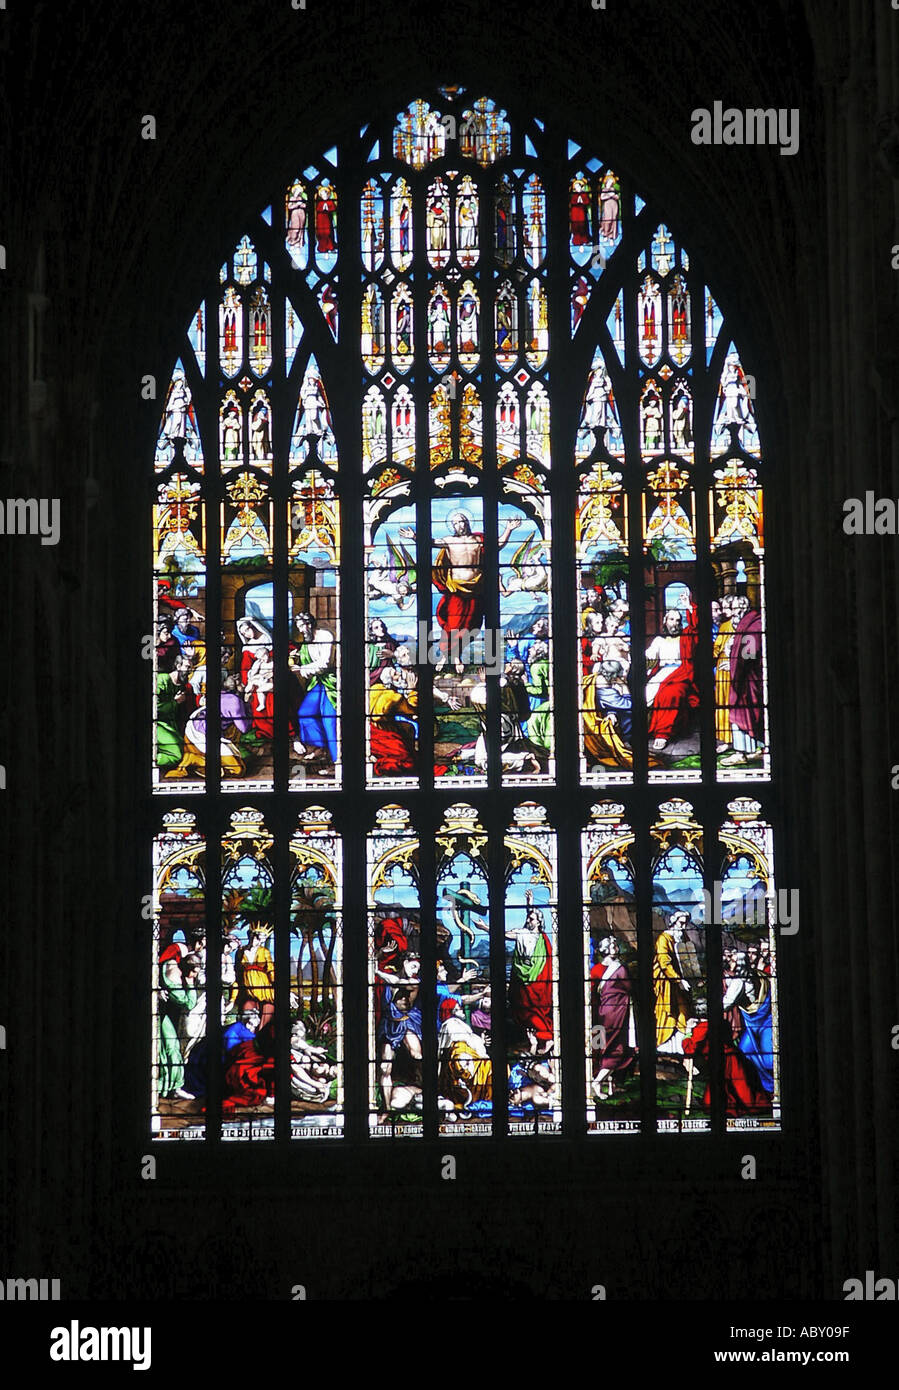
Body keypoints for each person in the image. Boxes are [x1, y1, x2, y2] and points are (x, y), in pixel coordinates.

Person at [375, 955, 423, 1118]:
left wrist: (376, 972)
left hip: (407, 1021)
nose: (415, 970)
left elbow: (396, 982)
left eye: (418, 968)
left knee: (417, 1055)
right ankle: (387, 1108)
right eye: (413, 966)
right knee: (384, 1067)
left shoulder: (413, 983)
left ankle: (427, 1092)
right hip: (389, 1025)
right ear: (405, 963)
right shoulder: (389, 978)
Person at [506, 890, 554, 1055]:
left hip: (538, 982)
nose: (528, 920)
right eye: (528, 918)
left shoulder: (542, 939)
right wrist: (484, 927)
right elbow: (506, 935)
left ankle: (547, 1038)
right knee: (525, 1011)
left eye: (532, 919)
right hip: (523, 982)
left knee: (536, 1011)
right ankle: (535, 1039)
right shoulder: (522, 933)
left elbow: (548, 962)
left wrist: (530, 903)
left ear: (539, 922)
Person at [645, 607, 699, 751]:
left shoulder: (685, 637)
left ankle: (663, 733)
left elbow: (695, 629)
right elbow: (650, 654)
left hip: (682, 673)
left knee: (670, 694)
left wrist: (690, 607)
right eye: (671, 619)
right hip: (662, 674)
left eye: (678, 620)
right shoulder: (658, 640)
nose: (674, 623)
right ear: (665, 621)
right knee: (645, 695)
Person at [290, 611, 338, 768]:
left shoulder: (325, 636)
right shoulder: (307, 641)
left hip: (331, 683)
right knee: (305, 713)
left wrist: (301, 668)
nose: (301, 631)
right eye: (299, 628)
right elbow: (308, 659)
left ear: (309, 624)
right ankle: (322, 748)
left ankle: (337, 761)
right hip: (318, 683)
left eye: (302, 627)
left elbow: (324, 663)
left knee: (329, 721)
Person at [590, 934, 635, 1099]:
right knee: (616, 1047)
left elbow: (591, 993)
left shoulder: (595, 970)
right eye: (614, 946)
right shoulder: (620, 968)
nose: (617, 948)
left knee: (599, 1047)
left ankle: (609, 1086)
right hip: (615, 1014)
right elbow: (630, 987)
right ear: (607, 949)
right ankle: (597, 1082)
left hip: (598, 1015)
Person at [722, 595, 764, 764]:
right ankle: (755, 750)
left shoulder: (753, 626)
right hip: (745, 678)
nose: (730, 614)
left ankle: (743, 753)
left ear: (741, 609)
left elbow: (748, 655)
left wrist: (734, 667)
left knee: (744, 713)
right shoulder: (746, 624)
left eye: (732, 609)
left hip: (749, 681)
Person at [653, 912, 692, 1055]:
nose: (683, 927)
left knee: (683, 1014)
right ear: (673, 923)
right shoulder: (664, 939)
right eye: (680, 923)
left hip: (679, 984)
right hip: (666, 985)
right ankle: (663, 1049)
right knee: (667, 1014)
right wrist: (679, 980)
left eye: (685, 924)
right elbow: (664, 963)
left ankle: (680, 1050)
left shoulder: (681, 938)